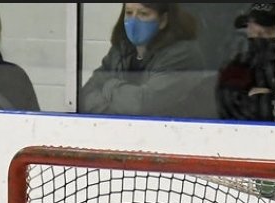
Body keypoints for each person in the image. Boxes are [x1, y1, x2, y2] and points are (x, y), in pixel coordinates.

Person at [80, 3, 214, 119]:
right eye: (129, 13)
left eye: (143, 14)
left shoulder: (183, 54)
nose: (133, 21)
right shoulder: (120, 50)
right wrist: (119, 113)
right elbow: (85, 94)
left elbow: (143, 105)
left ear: (163, 20)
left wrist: (109, 86)